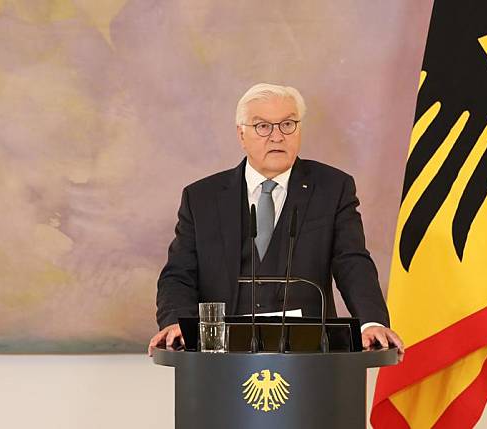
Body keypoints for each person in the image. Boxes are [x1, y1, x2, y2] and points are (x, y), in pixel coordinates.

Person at [148, 83, 404, 357]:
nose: (277, 136)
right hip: (221, 357)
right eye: (262, 126)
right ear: (241, 134)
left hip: (309, 355)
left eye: (287, 124)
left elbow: (352, 261)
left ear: (300, 130)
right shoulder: (202, 198)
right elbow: (179, 274)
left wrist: (371, 321)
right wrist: (175, 321)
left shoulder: (332, 188)